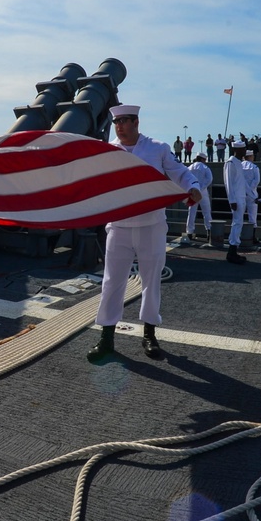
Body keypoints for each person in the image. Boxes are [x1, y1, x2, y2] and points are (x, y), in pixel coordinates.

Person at [88, 104, 202, 363]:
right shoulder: (109, 151)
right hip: (119, 226)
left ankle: (149, 333)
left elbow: (179, 173)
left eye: (124, 121)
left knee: (151, 282)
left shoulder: (157, 148)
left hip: (151, 225)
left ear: (136, 122)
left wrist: (193, 186)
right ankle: (106, 337)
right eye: (116, 122)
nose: (119, 126)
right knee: (111, 283)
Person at [223, 141, 249, 264]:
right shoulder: (231, 162)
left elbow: (242, 182)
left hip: (241, 197)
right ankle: (231, 252)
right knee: (237, 223)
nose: (245, 152)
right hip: (236, 198)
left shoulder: (239, 163)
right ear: (237, 150)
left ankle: (233, 250)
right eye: (243, 149)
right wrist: (231, 200)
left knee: (239, 223)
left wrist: (253, 196)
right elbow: (228, 183)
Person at [185, 151, 213, 243]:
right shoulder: (205, 167)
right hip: (203, 192)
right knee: (206, 212)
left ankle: (189, 232)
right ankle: (209, 232)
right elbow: (210, 179)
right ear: (202, 159)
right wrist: (201, 187)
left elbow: (185, 178)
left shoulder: (190, 167)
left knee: (191, 212)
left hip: (192, 192)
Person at [241, 148, 261, 245]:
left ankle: (238, 236)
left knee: (239, 216)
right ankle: (252, 237)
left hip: (240, 193)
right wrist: (250, 190)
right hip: (252, 195)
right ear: (250, 156)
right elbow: (256, 180)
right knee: (252, 216)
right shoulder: (255, 167)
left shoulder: (239, 166)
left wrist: (244, 189)